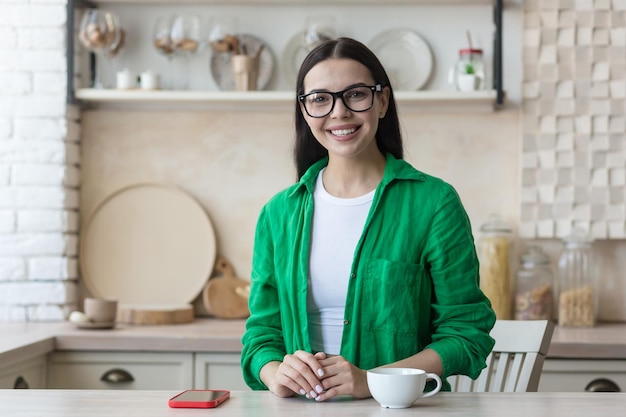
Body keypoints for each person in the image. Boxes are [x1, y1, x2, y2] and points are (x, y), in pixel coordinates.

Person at [240, 37, 496, 402]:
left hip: (400, 409)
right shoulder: (278, 213)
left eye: (356, 94)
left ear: (382, 101)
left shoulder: (435, 204)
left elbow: (467, 333)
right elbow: (261, 336)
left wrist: (373, 380)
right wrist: (275, 372)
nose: (339, 112)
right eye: (320, 99)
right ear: (305, 110)